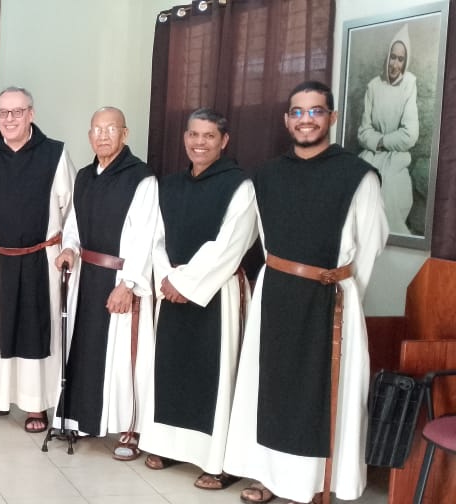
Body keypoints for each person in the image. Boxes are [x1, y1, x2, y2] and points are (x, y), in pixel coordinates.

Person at [224, 81, 388, 504]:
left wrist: (345, 293)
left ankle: (318, 482)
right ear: (286, 120)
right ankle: (267, 476)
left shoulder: (357, 176)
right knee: (271, 390)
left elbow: (370, 245)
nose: (306, 120)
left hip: (331, 299)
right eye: (297, 112)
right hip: (277, 295)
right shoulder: (265, 176)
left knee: (323, 396)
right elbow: (237, 237)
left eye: (316, 111)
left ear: (332, 117)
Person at [137, 108, 257, 491]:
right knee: (171, 370)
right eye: (193, 134)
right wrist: (168, 278)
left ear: (224, 141)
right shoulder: (169, 185)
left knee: (213, 376)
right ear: (185, 137)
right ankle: (168, 447)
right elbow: (155, 238)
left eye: (208, 136)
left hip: (216, 291)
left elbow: (231, 244)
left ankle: (218, 462)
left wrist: (185, 282)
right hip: (171, 289)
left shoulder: (240, 185)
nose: (199, 142)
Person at [0, 86, 73, 434]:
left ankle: (34, 403)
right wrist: (1, 238)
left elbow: (69, 206)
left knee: (35, 328)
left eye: (17, 112)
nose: (9, 119)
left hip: (41, 258)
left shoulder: (55, 154)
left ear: (31, 114)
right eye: (3, 112)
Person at [53, 106, 158, 461]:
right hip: (87, 277)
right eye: (97, 129)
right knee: (84, 349)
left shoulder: (141, 179)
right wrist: (69, 249)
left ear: (124, 134)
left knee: (124, 359)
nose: (102, 135)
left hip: (120, 279)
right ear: (89, 136)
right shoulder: (84, 177)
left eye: (111, 129)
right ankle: (81, 420)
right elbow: (73, 224)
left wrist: (128, 284)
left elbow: (146, 236)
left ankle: (130, 428)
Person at [357, 24, 418, 235]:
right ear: (388, 56)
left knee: (389, 188)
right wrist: (378, 142)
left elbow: (410, 135)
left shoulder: (409, 84)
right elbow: (363, 131)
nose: (395, 64)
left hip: (396, 156)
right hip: (371, 153)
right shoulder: (374, 86)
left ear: (405, 62)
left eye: (400, 59)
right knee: (361, 183)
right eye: (393, 57)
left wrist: (382, 140)